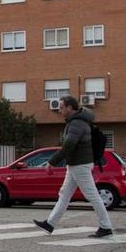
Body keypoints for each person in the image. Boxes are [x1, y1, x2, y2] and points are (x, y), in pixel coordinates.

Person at [34, 95, 113, 238]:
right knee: (64, 194)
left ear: (70, 108)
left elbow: (69, 144)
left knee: (93, 196)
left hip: (80, 165)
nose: (59, 110)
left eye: (62, 107)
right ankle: (50, 224)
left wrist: (52, 161)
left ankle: (105, 227)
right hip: (77, 164)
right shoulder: (78, 121)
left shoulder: (76, 123)